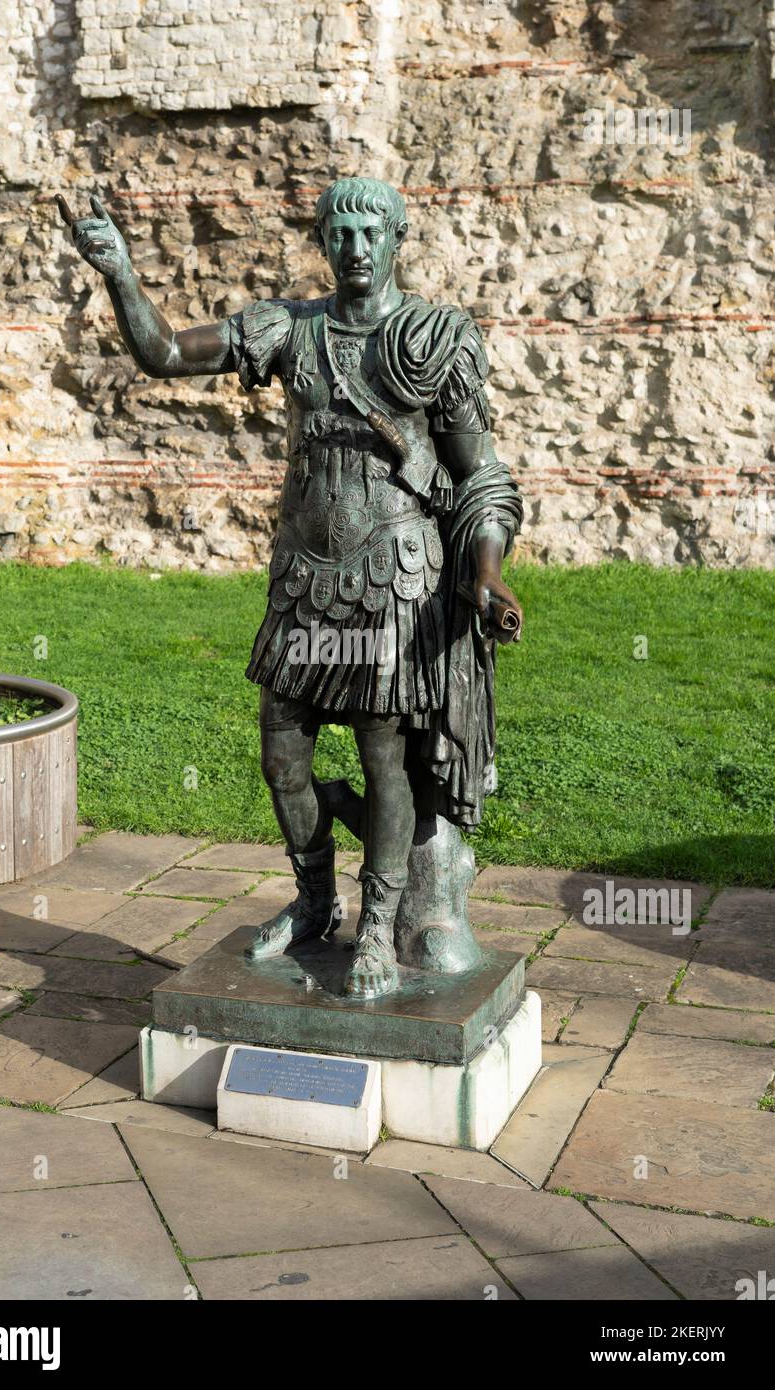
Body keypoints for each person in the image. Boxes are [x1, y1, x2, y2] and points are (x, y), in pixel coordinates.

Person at [58, 177, 523, 1000]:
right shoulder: (290, 328)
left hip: (395, 575)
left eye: (369, 232)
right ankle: (315, 903)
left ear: (396, 238)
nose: (353, 249)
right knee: (284, 755)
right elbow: (164, 352)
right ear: (322, 239)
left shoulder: (432, 338)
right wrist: (119, 271)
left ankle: (378, 925)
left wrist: (486, 573)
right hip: (307, 579)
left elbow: (481, 474)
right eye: (338, 233)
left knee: (385, 755)